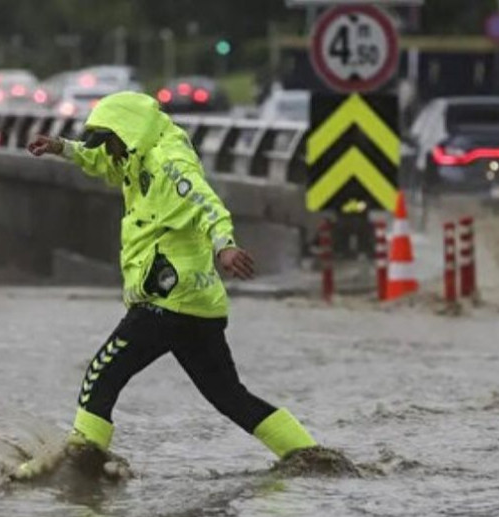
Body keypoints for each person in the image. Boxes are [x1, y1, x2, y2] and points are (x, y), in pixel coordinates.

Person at [16, 91, 318, 480]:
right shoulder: (136, 155)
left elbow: (208, 204)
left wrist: (224, 246)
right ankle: (310, 457)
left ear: (128, 132)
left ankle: (79, 465)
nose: (110, 152)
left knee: (102, 373)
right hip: (195, 307)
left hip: (167, 297)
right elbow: (102, 162)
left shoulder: (169, 161)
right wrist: (62, 147)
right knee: (229, 397)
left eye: (110, 141)